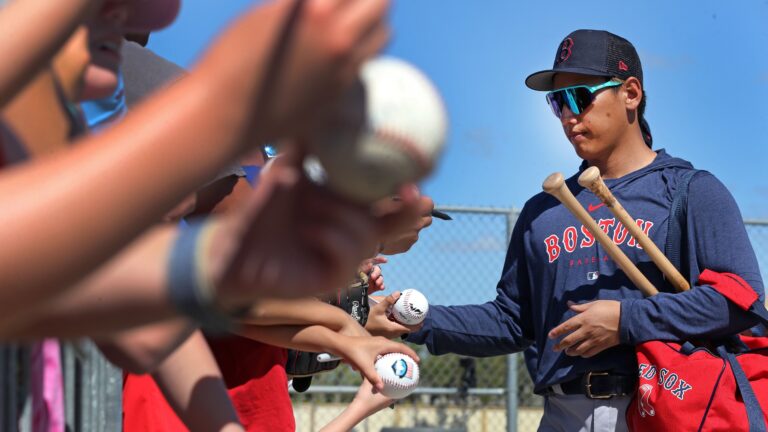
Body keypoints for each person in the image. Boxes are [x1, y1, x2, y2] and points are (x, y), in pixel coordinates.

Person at [369, 29, 765, 431]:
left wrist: (627, 320)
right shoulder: (544, 212)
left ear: (631, 93)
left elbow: (738, 302)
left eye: (581, 96)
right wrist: (419, 323)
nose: (569, 115)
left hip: (660, 406)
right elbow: (512, 322)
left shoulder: (690, 191)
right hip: (563, 414)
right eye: (557, 102)